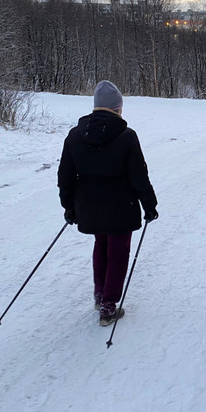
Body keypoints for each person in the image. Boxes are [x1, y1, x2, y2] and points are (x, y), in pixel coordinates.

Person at [58, 81, 158, 326]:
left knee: (101, 244)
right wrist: (149, 204)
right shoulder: (126, 136)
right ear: (118, 108)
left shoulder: (75, 136)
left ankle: (100, 294)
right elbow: (138, 175)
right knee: (118, 252)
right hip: (121, 205)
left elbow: (65, 177)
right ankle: (108, 306)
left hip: (89, 205)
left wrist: (69, 206)